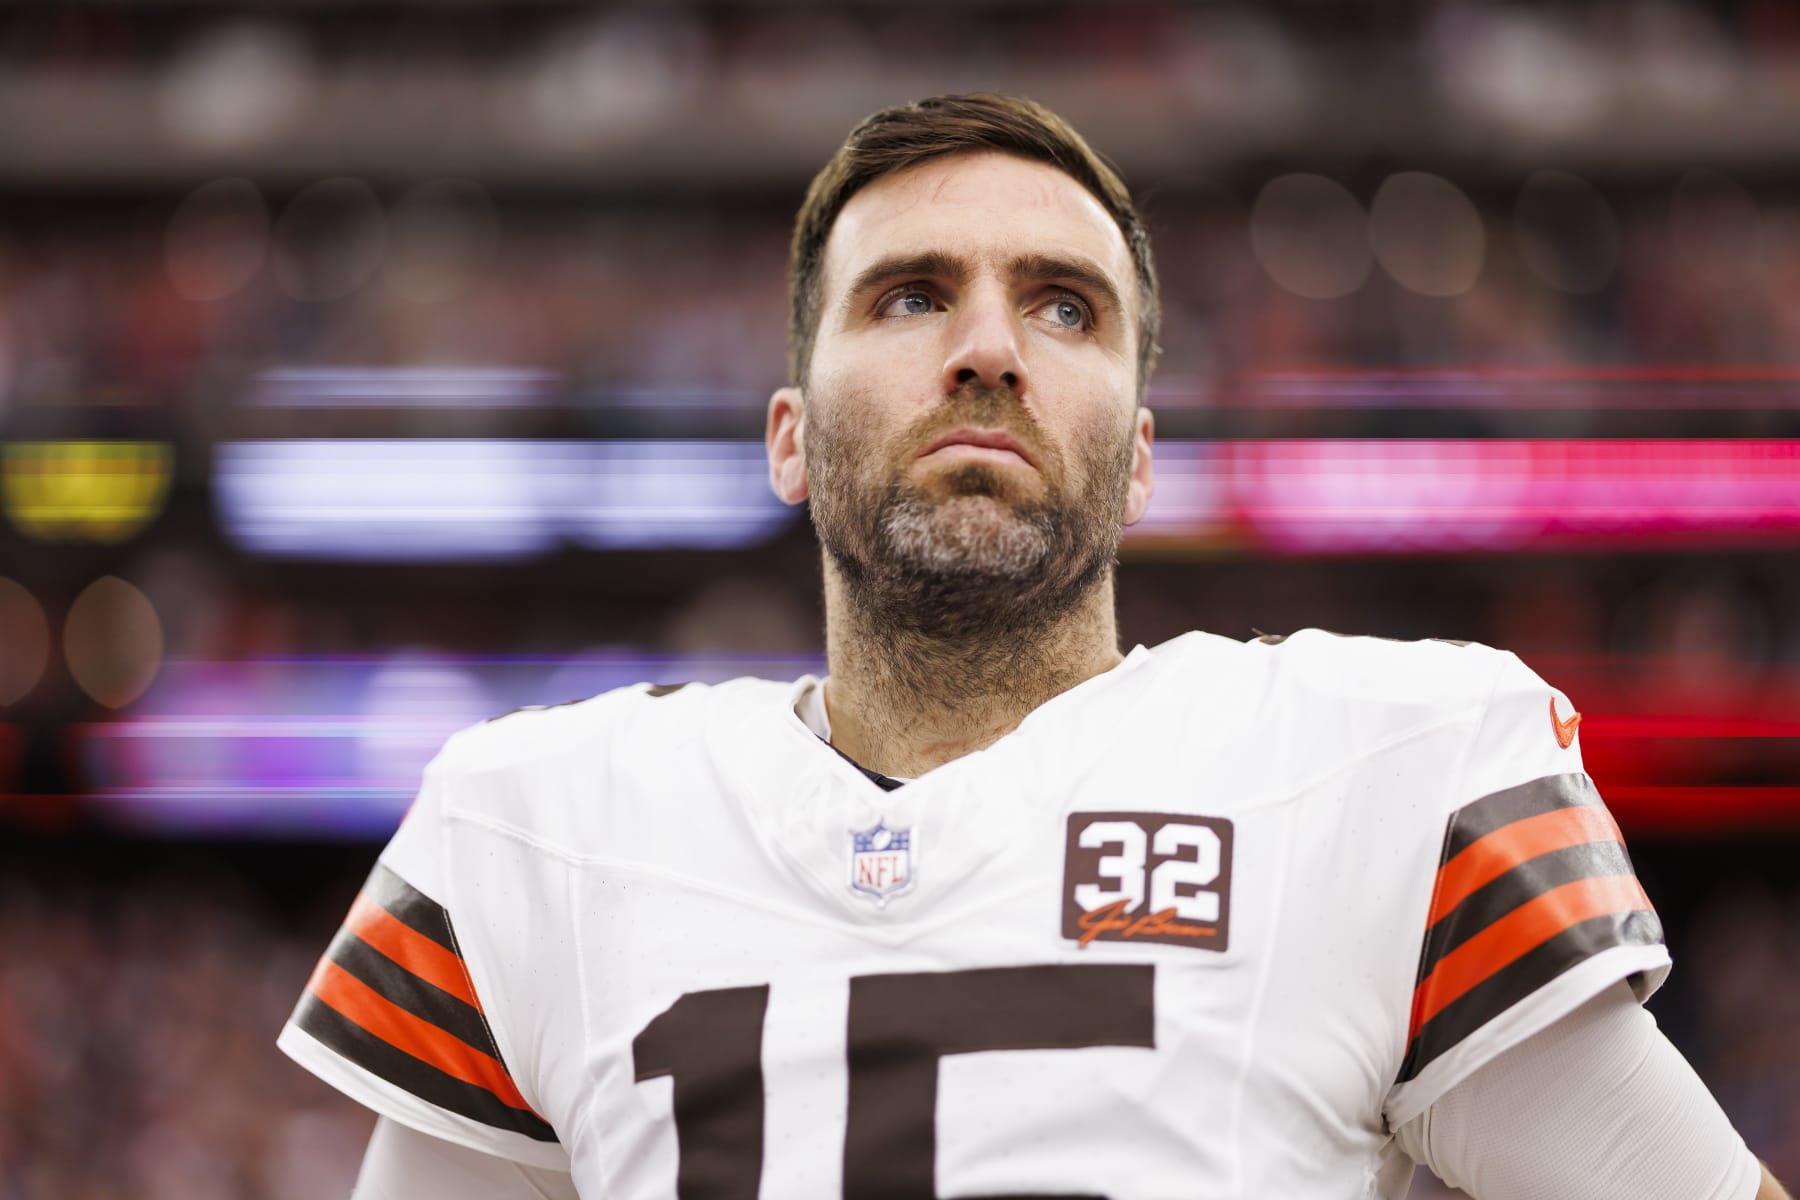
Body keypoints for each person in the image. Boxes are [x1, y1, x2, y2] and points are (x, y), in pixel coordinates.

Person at [281, 93, 1790, 1199]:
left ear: (1137, 460)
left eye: (1063, 306)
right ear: (791, 442)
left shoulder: (1380, 769)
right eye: (912, 293)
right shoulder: (539, 829)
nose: (987, 345)